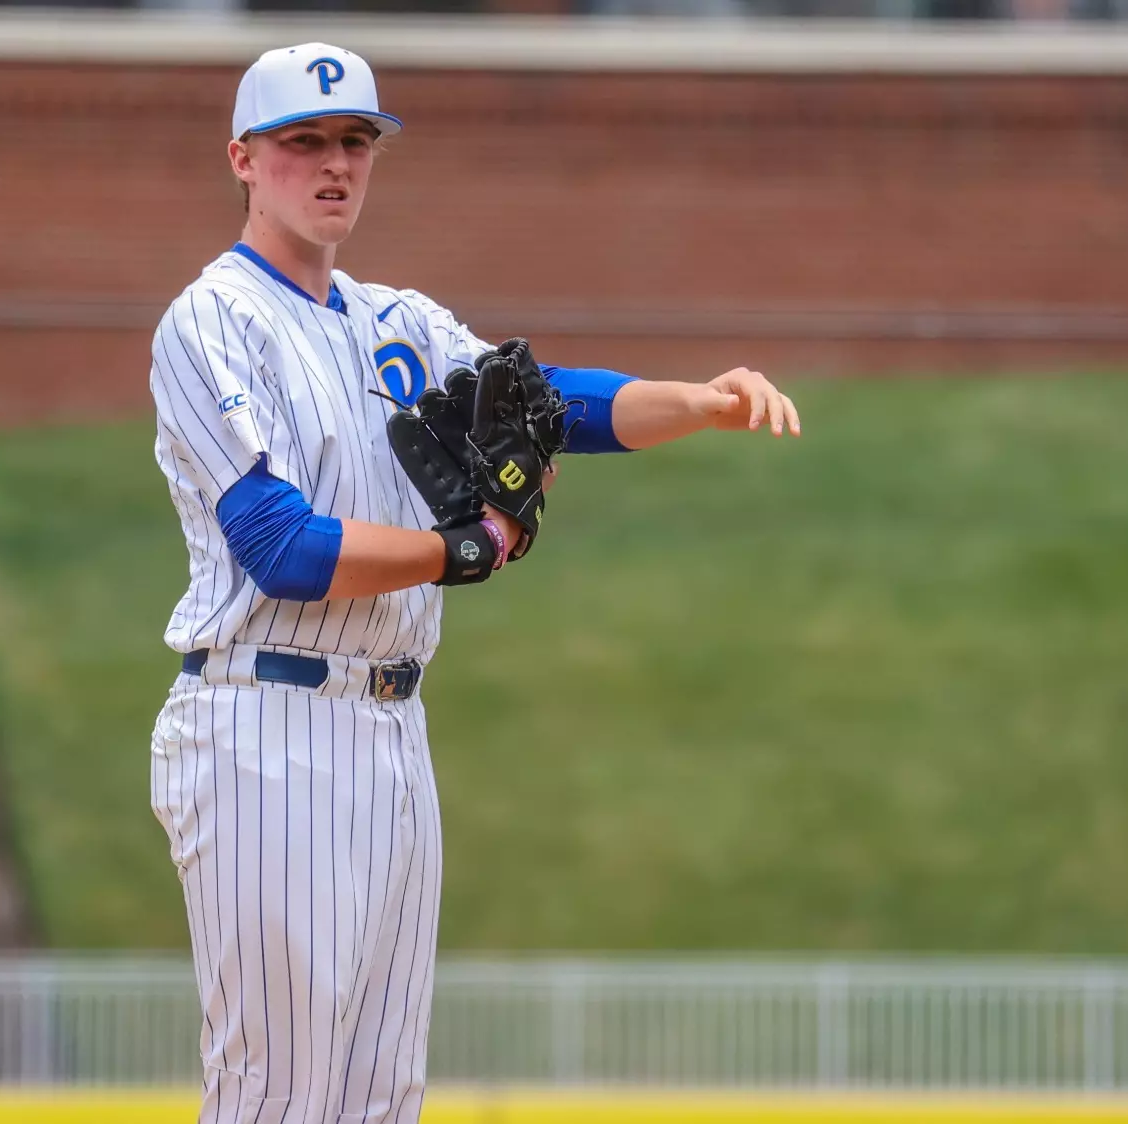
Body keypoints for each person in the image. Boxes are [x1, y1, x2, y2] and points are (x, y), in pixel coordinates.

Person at [146, 42, 800, 1124]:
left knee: (379, 1096)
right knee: (277, 1093)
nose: (334, 163)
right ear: (243, 159)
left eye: (355, 140)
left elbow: (548, 404)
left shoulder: (393, 319)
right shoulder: (210, 321)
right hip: (263, 721)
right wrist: (458, 550)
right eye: (302, 140)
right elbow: (280, 546)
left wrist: (699, 399)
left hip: (392, 726)